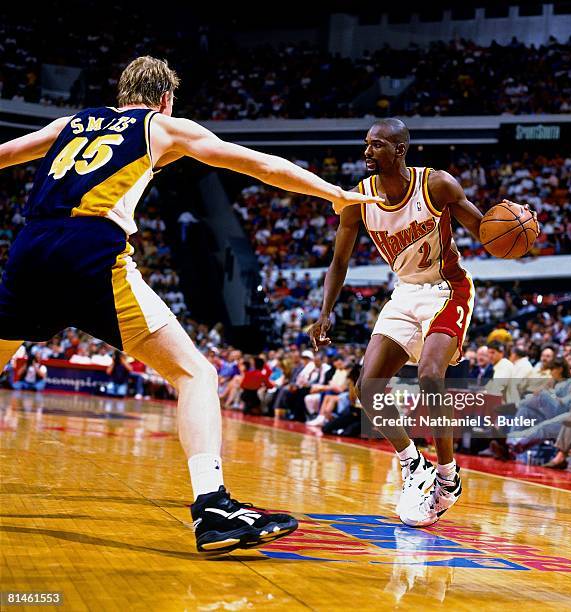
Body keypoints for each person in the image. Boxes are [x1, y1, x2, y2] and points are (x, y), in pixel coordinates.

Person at [0, 56, 382, 556]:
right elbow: (259, 163)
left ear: (121, 94)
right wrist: (334, 193)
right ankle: (213, 506)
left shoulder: (69, 123)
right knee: (194, 374)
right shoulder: (161, 126)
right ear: (165, 99)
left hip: (29, 246)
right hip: (89, 246)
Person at [309, 117, 538, 527]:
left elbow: (485, 231)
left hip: (448, 288)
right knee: (367, 387)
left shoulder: (436, 185)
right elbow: (339, 261)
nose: (367, 152)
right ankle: (413, 463)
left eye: (377, 145)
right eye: (366, 144)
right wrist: (325, 312)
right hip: (405, 291)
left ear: (399, 150)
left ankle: (448, 478)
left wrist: (515, 227)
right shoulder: (357, 199)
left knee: (431, 375)